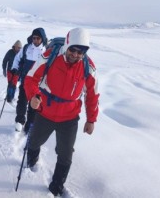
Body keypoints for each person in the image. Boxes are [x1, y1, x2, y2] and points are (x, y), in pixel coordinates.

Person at [24, 28, 100, 196]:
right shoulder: (50, 56)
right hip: (45, 112)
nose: (76, 54)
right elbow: (30, 78)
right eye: (73, 49)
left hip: (69, 118)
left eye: (81, 52)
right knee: (34, 142)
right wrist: (33, 96)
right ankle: (31, 160)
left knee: (65, 154)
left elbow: (92, 95)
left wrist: (91, 120)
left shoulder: (89, 67)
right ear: (67, 45)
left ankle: (57, 185)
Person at [11, 27, 47, 133]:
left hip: (38, 83)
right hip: (25, 80)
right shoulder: (26, 48)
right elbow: (17, 58)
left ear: (42, 39)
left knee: (34, 103)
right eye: (34, 38)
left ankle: (30, 123)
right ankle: (20, 121)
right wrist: (14, 68)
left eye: (38, 38)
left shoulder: (46, 51)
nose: (35, 40)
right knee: (22, 100)